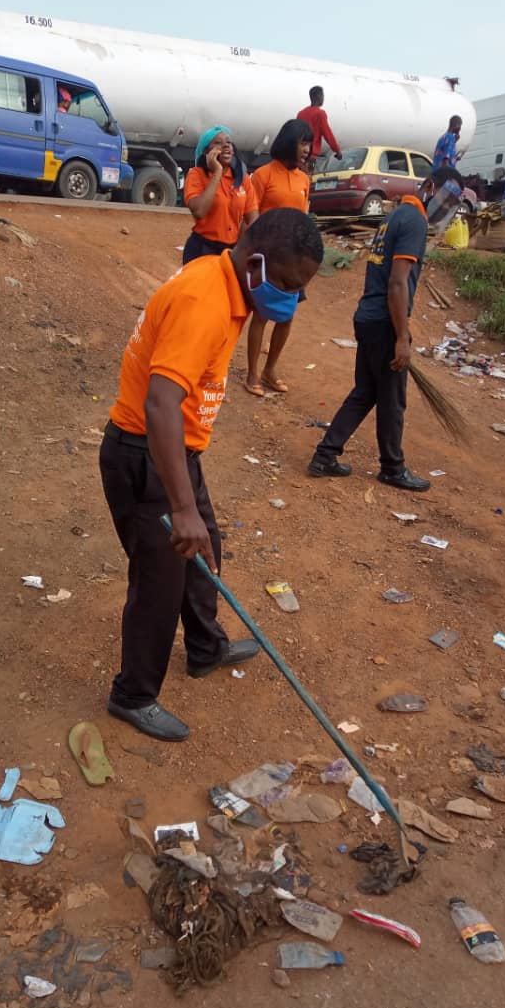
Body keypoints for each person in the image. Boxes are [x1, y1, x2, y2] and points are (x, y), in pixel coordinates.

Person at [100, 209, 324, 741]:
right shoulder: (203, 300)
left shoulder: (229, 287)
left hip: (178, 451)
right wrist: (179, 507)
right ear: (255, 263)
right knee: (159, 583)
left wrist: (188, 500)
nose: (292, 299)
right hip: (145, 453)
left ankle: (205, 649)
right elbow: (160, 405)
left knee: (204, 554)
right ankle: (132, 695)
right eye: (289, 284)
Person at [307, 166, 465, 491]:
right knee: (392, 399)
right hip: (384, 321)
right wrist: (402, 336)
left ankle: (325, 455)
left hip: (368, 316)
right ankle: (393, 468)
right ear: (431, 187)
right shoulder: (414, 222)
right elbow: (397, 282)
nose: (448, 211)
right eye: (448, 202)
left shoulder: (393, 217)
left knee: (365, 392)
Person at [243, 120, 313, 397]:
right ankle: (252, 374)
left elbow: (303, 217)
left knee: (287, 316)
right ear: (288, 142)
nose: (307, 149)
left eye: (309, 144)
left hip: (293, 261)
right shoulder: (262, 175)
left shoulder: (304, 179)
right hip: (268, 257)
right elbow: (250, 215)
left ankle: (271, 370)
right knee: (261, 315)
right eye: (302, 143)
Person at [182, 126, 258, 264]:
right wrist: (217, 172)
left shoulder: (243, 178)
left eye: (228, 142)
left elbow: (253, 219)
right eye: (218, 143)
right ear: (206, 152)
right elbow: (199, 211)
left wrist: (241, 249)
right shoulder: (196, 175)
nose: (225, 145)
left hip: (230, 252)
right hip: (202, 250)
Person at [297, 86, 341, 172]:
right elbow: (328, 134)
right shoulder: (320, 114)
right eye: (323, 95)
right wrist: (337, 151)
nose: (323, 98)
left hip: (298, 154)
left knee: (298, 178)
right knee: (307, 179)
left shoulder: (301, 113)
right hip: (310, 156)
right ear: (318, 96)